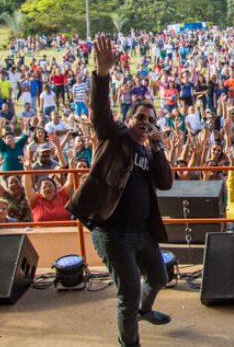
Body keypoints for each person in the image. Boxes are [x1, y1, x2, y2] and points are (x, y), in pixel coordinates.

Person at [66, 36, 174, 347]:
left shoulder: (150, 151)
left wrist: (159, 145)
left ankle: (144, 310)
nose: (145, 122)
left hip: (142, 232)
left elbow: (165, 182)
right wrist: (101, 73)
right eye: (140, 117)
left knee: (158, 278)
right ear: (129, 120)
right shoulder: (113, 138)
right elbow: (100, 112)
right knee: (127, 291)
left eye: (151, 120)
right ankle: (129, 342)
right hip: (111, 231)